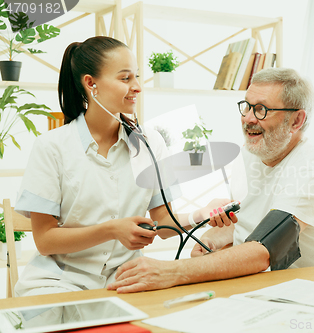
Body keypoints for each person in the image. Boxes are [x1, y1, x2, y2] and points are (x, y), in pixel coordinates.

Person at [14, 36, 236, 298]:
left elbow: (164, 224)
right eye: (125, 78)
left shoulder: (150, 143)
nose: (137, 87)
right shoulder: (52, 147)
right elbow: (44, 240)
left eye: (137, 77)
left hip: (126, 279)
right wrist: (111, 230)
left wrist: (203, 213)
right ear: (90, 83)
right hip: (59, 281)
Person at [107, 68, 314, 293]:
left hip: (305, 294)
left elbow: (265, 249)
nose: (248, 119)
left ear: (296, 121)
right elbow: (252, 220)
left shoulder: (311, 173)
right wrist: (217, 238)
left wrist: (171, 271)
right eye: (247, 106)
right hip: (257, 286)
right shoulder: (252, 152)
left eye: (262, 109)